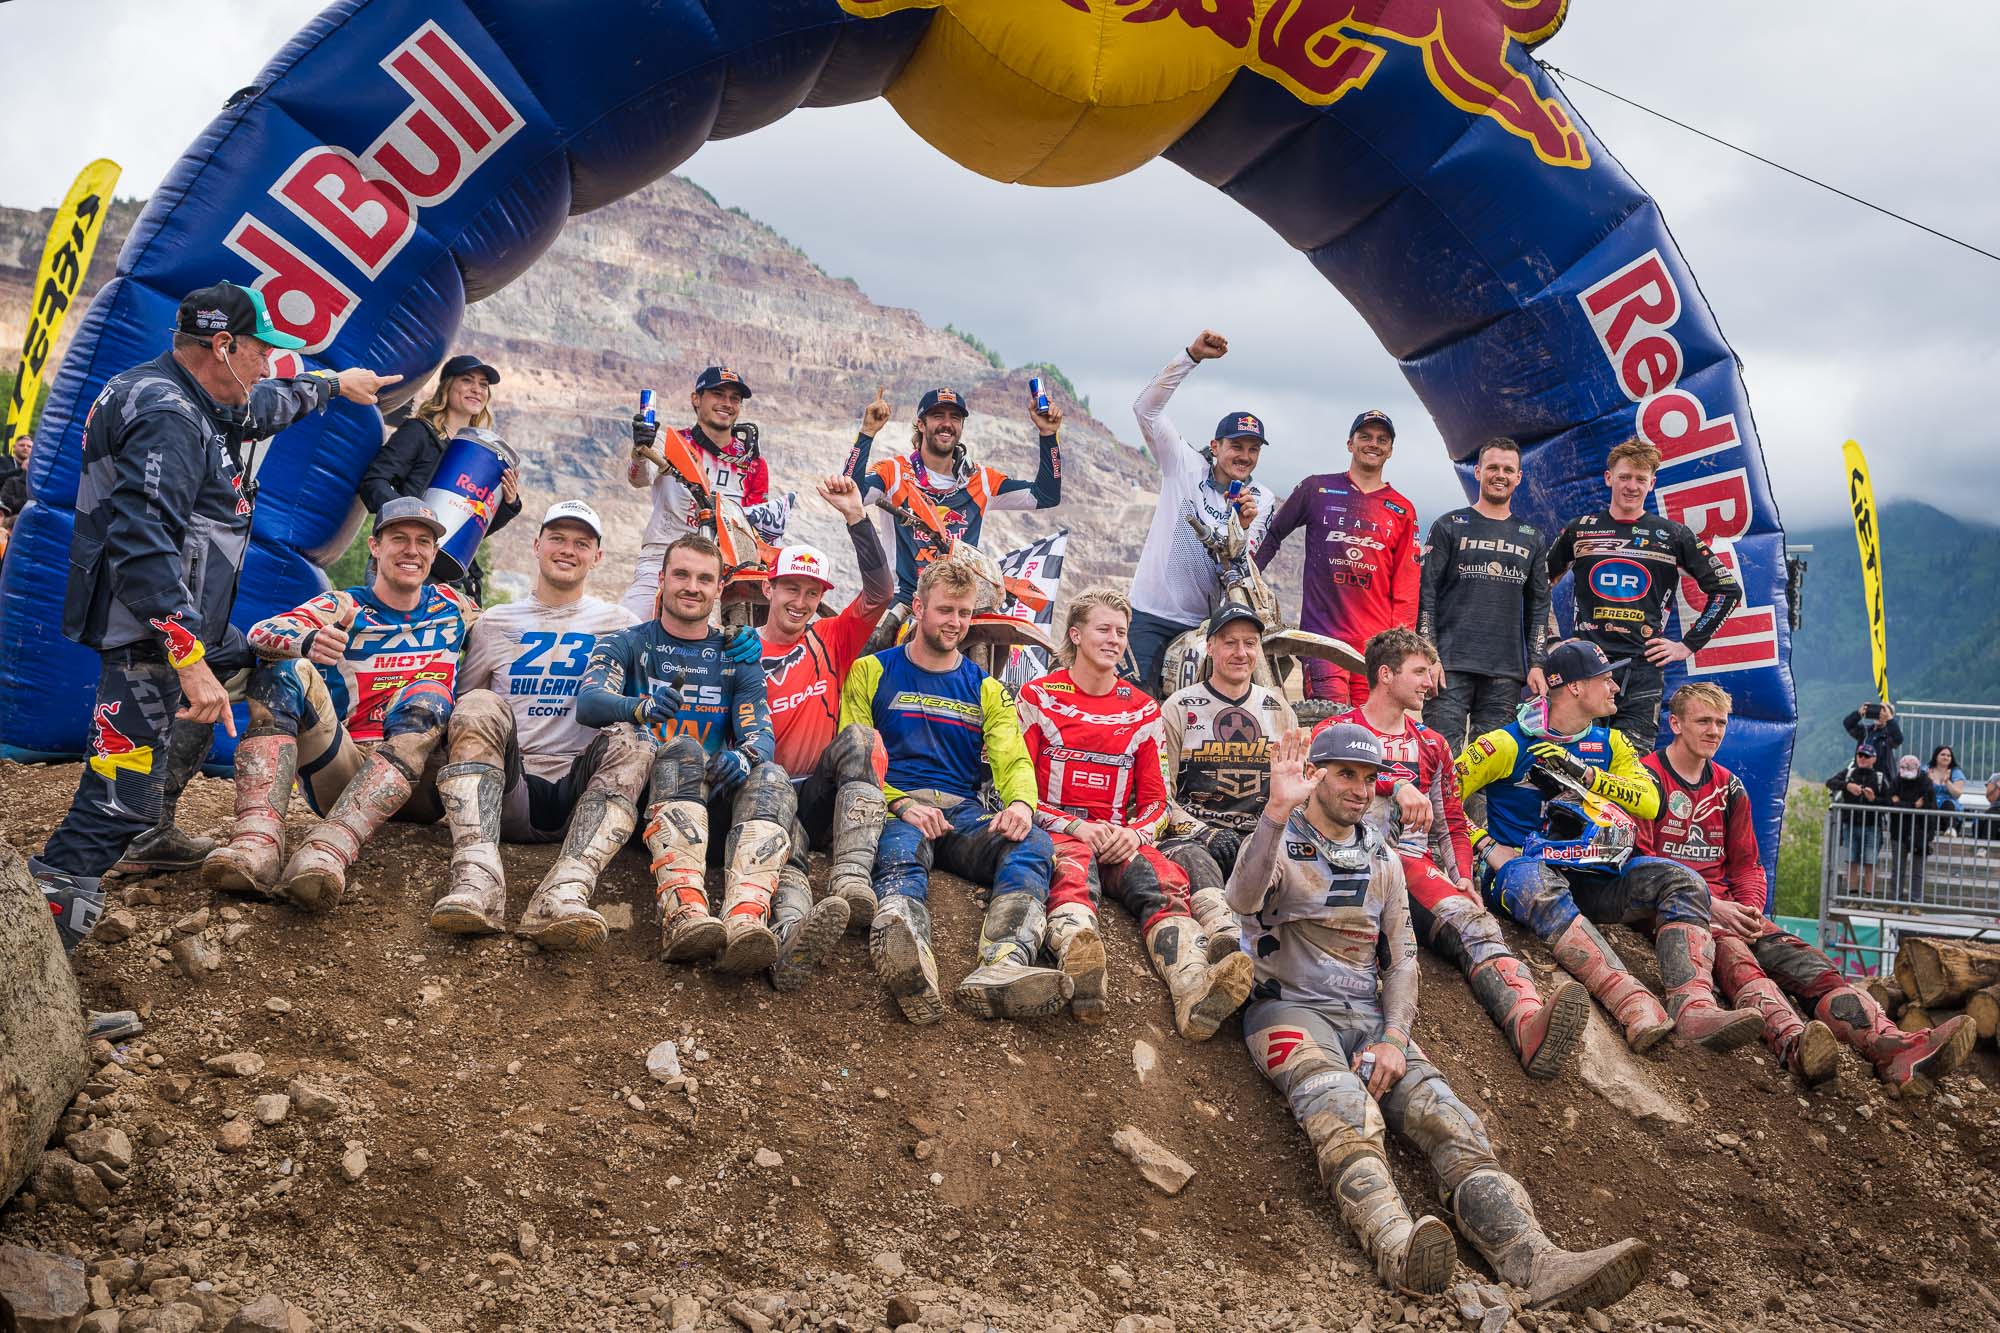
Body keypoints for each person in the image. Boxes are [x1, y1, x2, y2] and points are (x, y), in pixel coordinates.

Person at [30, 280, 397, 945]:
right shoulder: (166, 414)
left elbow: (265, 404)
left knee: (254, 657)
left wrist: (335, 383)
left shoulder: (193, 394)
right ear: (223, 345)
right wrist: (189, 659)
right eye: (261, 351)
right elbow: (141, 541)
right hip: (145, 633)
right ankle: (36, 959)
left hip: (178, 627)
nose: (267, 367)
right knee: (111, 804)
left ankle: (155, 824)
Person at [1232, 724, 1649, 1308]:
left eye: (1369, 778)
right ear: (1315, 776)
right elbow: (1243, 901)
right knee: (1344, 1107)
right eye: (1345, 774)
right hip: (1287, 1008)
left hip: (1369, 1013)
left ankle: (1534, 1258)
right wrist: (1275, 812)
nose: (1360, 789)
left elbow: (1402, 960)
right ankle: (1399, 1247)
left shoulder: (1381, 854)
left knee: (1449, 1120)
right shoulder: (1280, 837)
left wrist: (1397, 1039)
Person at [1640, 683, 1975, 1093]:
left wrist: (1749, 909)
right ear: (1675, 723)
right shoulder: (1646, 778)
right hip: (1682, 914)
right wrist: (1711, 907)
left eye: (1721, 722)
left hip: (1731, 912)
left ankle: (1894, 1046)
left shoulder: (1729, 788)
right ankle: (1796, 1044)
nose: (1714, 731)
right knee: (1736, 958)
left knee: (1813, 965)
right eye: (1703, 721)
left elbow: (1748, 866)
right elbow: (1642, 865)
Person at [1454, 639, 1763, 1053]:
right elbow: (1440, 795)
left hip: (1595, 875)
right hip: (1523, 875)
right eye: (1605, 679)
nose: (1616, 687)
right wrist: (1487, 845)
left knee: (1682, 880)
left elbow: (1650, 803)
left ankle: (1694, 1009)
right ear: (1576, 688)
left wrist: (1587, 775)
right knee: (1529, 876)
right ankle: (1632, 1003)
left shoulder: (1612, 744)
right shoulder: (1506, 743)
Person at [1325, 629, 1587, 1078]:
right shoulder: (1337, 730)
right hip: (1344, 864)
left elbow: (1451, 822)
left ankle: (1527, 1020)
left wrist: (1463, 875)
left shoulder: (1433, 744)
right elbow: (1320, 784)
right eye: (1420, 672)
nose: (1430, 682)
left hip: (1410, 867)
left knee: (1473, 919)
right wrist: (1394, 783)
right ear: (1385, 675)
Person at [200, 499, 470, 910]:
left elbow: (516, 635)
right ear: (375, 546)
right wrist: (305, 641)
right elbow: (264, 632)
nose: (411, 551)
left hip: (422, 783)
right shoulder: (344, 605)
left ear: (434, 553)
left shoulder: (454, 607)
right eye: (399, 539)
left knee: (428, 690)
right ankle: (257, 843)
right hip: (344, 766)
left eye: (423, 542)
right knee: (280, 668)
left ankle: (332, 848)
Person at [839, 557, 1069, 1023]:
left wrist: (1022, 804)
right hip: (896, 809)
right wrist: (900, 804)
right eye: (946, 610)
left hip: (961, 815)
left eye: (964, 613)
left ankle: (1004, 962)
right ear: (919, 608)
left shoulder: (987, 689)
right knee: (900, 850)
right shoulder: (870, 671)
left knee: (1033, 843)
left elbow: (1012, 757)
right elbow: (854, 756)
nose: (956, 623)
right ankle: (911, 957)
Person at [1016, 591, 1255, 1036]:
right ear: (1076, 634)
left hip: (1118, 835)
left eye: (1122, 633)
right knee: (1072, 869)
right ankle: (1081, 966)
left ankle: (1193, 988)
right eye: (1103, 629)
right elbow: (1014, 788)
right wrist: (1074, 826)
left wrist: (1136, 835)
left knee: (1164, 880)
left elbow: (1156, 799)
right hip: (1061, 831)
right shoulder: (1038, 696)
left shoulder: (1142, 709)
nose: (1114, 640)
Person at [421, 499, 639, 937]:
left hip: (582, 790)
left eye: (581, 543)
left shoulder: (622, 625)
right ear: (536, 545)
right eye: (557, 538)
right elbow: (465, 710)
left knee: (636, 737)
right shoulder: (495, 623)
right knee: (478, 704)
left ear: (597, 557)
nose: (567, 549)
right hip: (509, 786)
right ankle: (476, 882)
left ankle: (567, 890)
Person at [573, 533, 782, 971]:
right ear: (662, 581)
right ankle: (681, 913)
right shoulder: (626, 643)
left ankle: (745, 919)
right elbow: (589, 703)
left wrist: (745, 756)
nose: (692, 586)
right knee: (683, 748)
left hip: (705, 808)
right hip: (641, 804)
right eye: (681, 575)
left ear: (719, 589)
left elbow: (761, 734)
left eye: (705, 578)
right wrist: (640, 708)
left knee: (772, 777)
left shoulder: (735, 654)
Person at [753, 473, 896, 987]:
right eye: (791, 587)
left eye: (812, 592)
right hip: (764, 797)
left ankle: (853, 878)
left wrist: (857, 517)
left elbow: (882, 591)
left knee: (862, 738)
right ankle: (793, 933)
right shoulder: (740, 648)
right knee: (781, 826)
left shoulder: (831, 638)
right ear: (769, 587)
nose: (801, 600)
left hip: (820, 792)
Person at [1545, 440, 1741, 753]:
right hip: (1584, 670)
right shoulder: (1580, 530)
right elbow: (1537, 586)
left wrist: (1686, 645)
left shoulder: (1674, 535)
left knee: (1631, 768)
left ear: (1652, 483)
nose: (1631, 486)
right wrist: (1552, 641)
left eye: (1640, 479)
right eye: (1624, 477)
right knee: (1570, 765)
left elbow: (1727, 590)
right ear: (1609, 478)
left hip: (1643, 670)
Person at [1123, 330, 1276, 696]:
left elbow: (1242, 570)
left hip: (1209, 625)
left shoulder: (1261, 498)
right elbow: (1145, 409)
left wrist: (1241, 529)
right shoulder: (1184, 466)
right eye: (1236, 445)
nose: (1244, 455)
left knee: (1206, 716)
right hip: (1151, 615)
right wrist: (1191, 356)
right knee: (1134, 704)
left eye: (1253, 449)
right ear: (1215, 445)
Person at [1156, 606, 1297, 961]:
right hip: (1193, 837)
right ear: (1210, 647)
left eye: (1250, 643)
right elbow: (1160, 794)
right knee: (1194, 858)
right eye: (1230, 642)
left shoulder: (1279, 709)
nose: (1241, 652)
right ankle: (1225, 940)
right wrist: (1202, 831)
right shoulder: (1179, 707)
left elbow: (1295, 787)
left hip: (1260, 835)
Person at [846, 383, 1063, 610]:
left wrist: (1048, 435)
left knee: (1000, 640)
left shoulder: (982, 479)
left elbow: (1046, 495)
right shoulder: (894, 472)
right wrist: (867, 432)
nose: (947, 424)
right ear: (921, 424)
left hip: (961, 603)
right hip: (905, 601)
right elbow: (851, 495)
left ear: (961, 426)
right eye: (938, 416)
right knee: (868, 642)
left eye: (955, 418)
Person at [1254, 409, 1419, 705]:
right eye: (1365, 437)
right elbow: (1273, 534)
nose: (1373, 443)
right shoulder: (1317, 489)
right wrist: (1247, 582)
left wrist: (1399, 648)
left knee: (1369, 738)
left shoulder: (1402, 509)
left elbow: (1406, 585)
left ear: (1390, 451)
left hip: (1375, 648)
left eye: (1382, 439)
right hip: (1323, 642)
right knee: (1331, 727)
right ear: (1350, 444)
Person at [1417, 437, 1550, 750]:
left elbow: (1539, 606)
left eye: (1508, 469)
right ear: (1478, 472)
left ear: (1519, 477)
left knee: (1488, 768)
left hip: (1506, 675)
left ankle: (1475, 804)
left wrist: (1537, 663)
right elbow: (1426, 596)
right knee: (1440, 759)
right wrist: (1428, 656)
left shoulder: (1532, 537)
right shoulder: (1450, 525)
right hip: (1447, 667)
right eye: (1492, 467)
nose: (1499, 474)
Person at [356, 353, 519, 602]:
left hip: (446, 574)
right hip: (403, 561)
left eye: (483, 385)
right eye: (467, 380)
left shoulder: (481, 455)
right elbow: (374, 482)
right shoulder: (419, 432)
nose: (477, 389)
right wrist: (410, 520)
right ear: (447, 386)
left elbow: (472, 529)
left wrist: (507, 504)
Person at [620, 366, 771, 619]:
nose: (727, 403)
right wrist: (639, 449)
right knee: (627, 626)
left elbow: (756, 525)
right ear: (696, 399)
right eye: (718, 395)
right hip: (662, 557)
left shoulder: (753, 463)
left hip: (725, 570)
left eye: (734, 398)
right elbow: (638, 478)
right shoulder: (671, 443)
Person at [1824, 743, 1891, 900]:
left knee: (1870, 862)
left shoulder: (1880, 778)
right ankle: (1852, 896)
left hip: (1872, 826)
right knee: (1851, 861)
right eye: (1860, 755)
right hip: (1850, 824)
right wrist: (1847, 786)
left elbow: (1888, 802)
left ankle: (1868, 897)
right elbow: (1830, 782)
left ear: (1873, 759)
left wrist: (1873, 799)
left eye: (1866, 756)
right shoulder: (1849, 773)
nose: (1862, 758)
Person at [1885, 754, 1938, 904]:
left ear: (1918, 767)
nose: (1907, 769)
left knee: (1918, 872)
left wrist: (1901, 803)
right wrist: (1913, 806)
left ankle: (1916, 903)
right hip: (1898, 832)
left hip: (1920, 832)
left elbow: (1929, 805)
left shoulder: (1926, 783)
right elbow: (1889, 802)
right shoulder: (1896, 781)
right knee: (1897, 870)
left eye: (1911, 767)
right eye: (1904, 767)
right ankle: (1896, 902)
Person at [1842, 700, 1903, 771]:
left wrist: (1889, 719)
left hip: (1881, 775)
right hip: (1861, 773)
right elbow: (1848, 724)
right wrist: (1858, 713)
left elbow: (1898, 739)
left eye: (1883, 712)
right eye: (1878, 712)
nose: (1879, 715)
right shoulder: (1865, 731)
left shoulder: (1889, 735)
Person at [1926, 744, 1966, 812]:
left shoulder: (1956, 772)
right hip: (1930, 804)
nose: (1946, 757)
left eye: (1948, 756)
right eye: (1942, 755)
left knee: (1948, 805)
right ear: (1936, 756)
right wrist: (1928, 781)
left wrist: (1947, 782)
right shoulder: (1926, 770)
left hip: (1949, 807)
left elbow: (1957, 795)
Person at [0, 431, 30, 516]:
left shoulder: (35, 467)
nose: (25, 448)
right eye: (22, 445)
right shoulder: (3, 460)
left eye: (29, 446)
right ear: (14, 447)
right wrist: (20, 470)